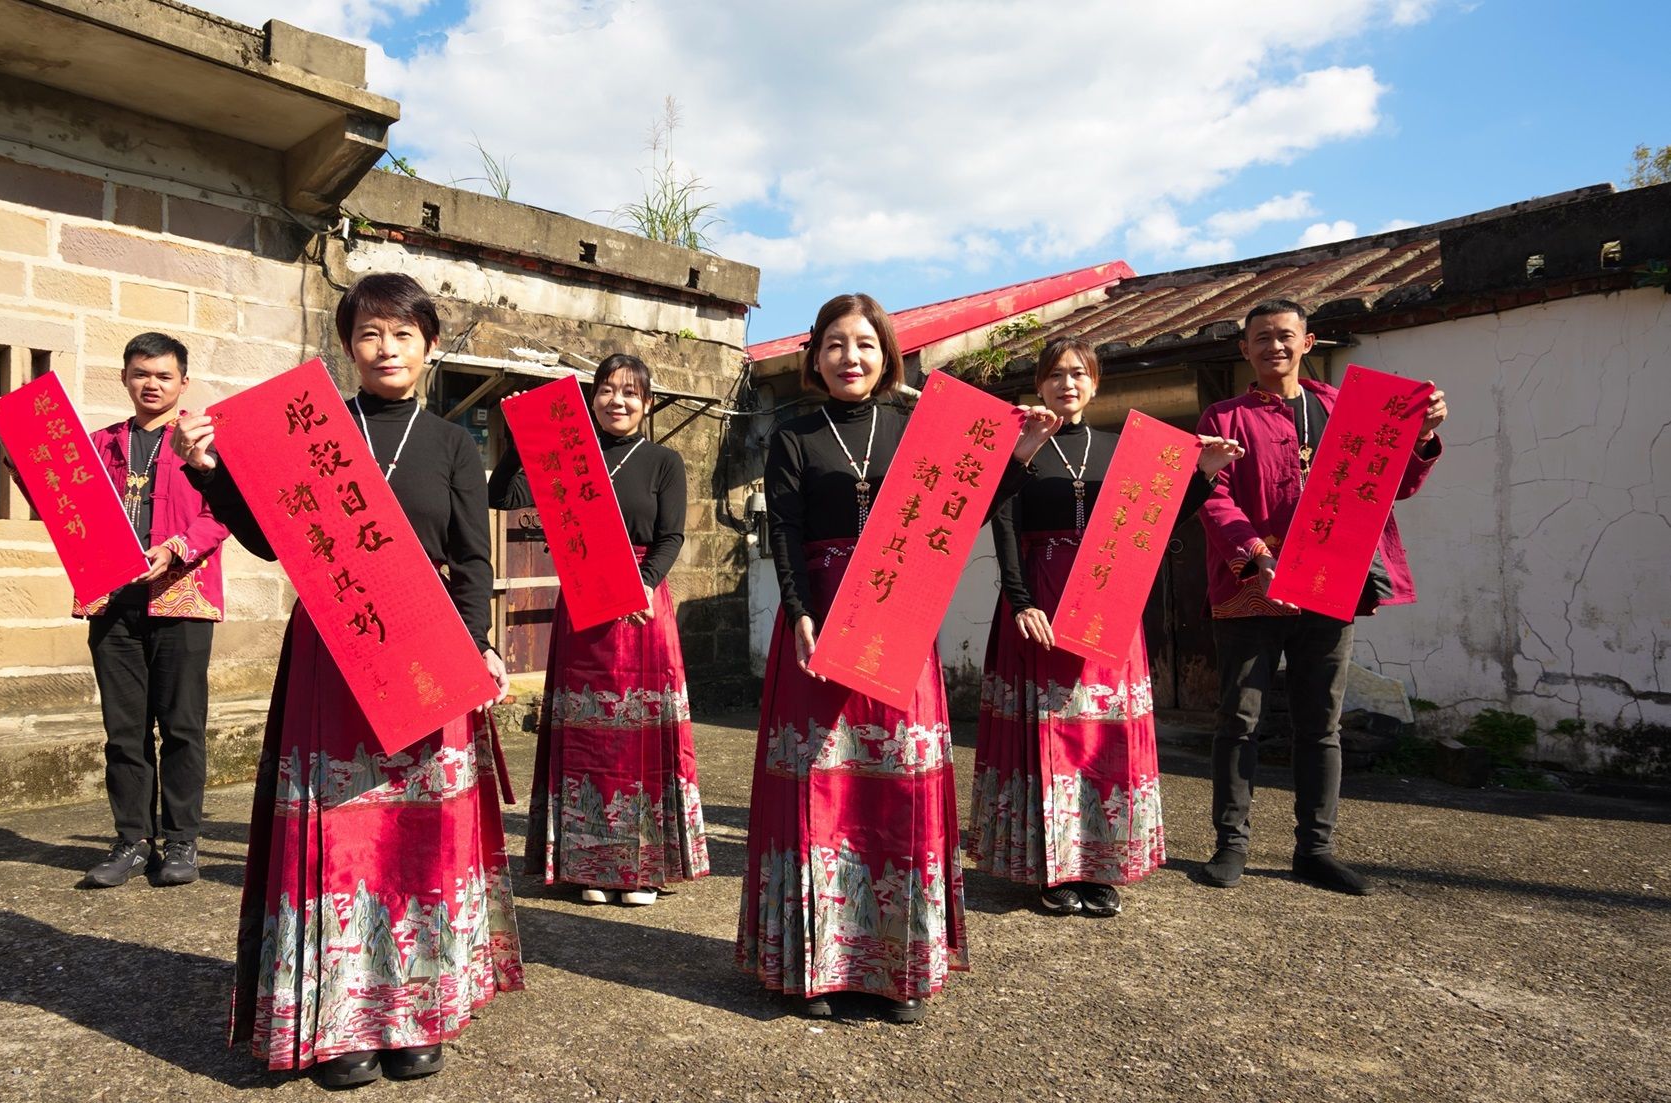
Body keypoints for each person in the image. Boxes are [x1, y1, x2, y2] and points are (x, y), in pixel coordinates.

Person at [171, 274, 520, 1088]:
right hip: (334, 643)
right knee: (341, 831)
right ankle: (338, 1020)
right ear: (348, 346)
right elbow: (265, 538)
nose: (386, 348)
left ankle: (417, 1013)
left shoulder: (452, 443)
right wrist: (212, 470)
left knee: (416, 831)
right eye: (369, 333)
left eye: (402, 333)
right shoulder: (314, 430)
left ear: (430, 345)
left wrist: (479, 646)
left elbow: (472, 560)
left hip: (429, 646)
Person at [736, 293, 1055, 1024]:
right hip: (817, 621)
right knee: (817, 787)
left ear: (888, 356)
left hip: (898, 623)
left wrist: (1023, 458)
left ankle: (898, 965)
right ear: (815, 357)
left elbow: (960, 513)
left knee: (896, 786)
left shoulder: (918, 430)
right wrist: (799, 615)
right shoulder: (793, 436)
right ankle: (815, 965)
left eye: (866, 345)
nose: (851, 357)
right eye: (836, 344)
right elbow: (782, 534)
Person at [966, 338, 1243, 917]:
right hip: (1038, 598)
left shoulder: (1121, 449)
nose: (1067, 384)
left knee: (1101, 738)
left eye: (1078, 374)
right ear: (1038, 385)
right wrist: (1019, 601)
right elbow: (1003, 527)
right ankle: (1050, 867)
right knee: (1045, 736)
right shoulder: (1020, 447)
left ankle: (1099, 866)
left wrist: (1205, 476)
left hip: (1105, 602)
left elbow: (1155, 519)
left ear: (1095, 384)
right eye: (1055, 375)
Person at [1195, 299, 1448, 896]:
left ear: (1308, 344)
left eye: (1285, 336)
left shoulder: (1346, 408)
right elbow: (1211, 495)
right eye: (1260, 338)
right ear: (1245, 350)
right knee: (1239, 719)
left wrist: (1424, 435)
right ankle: (1231, 845)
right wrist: (1256, 557)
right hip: (1249, 584)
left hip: (1332, 584)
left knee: (1320, 722)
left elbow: (1393, 485)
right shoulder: (1224, 416)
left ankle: (1316, 849)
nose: (1273, 346)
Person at [488, 354, 709, 906]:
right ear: (592, 399)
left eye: (631, 393)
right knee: (587, 733)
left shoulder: (663, 460)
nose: (619, 401)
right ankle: (584, 864)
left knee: (643, 734)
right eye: (608, 390)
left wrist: (639, 586)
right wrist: (521, 439)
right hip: (584, 603)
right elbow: (505, 497)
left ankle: (645, 866)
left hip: (641, 604)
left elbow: (671, 536)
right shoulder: (569, 458)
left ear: (648, 403)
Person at [75, 332, 228, 890]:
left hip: (183, 597)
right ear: (124, 377)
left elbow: (220, 514)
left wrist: (174, 549)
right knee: (124, 730)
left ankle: (183, 842)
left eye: (164, 375)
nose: (152, 384)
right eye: (141, 373)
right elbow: (68, 503)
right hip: (114, 601)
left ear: (183, 382)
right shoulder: (97, 444)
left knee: (182, 727)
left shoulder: (202, 443)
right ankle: (132, 841)